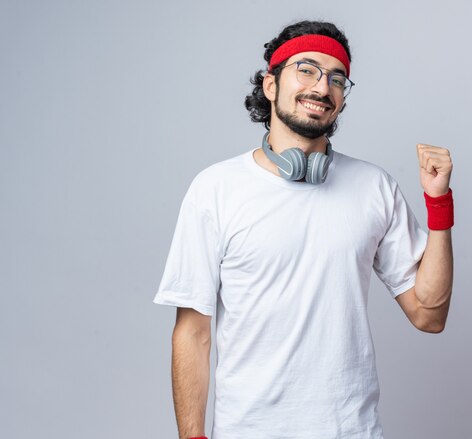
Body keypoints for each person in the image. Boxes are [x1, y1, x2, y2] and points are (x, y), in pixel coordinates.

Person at [154, 20, 454, 439]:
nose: (322, 86)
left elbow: (429, 314)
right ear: (271, 85)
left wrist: (439, 203)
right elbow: (192, 333)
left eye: (336, 78)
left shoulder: (374, 187)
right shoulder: (215, 189)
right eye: (306, 69)